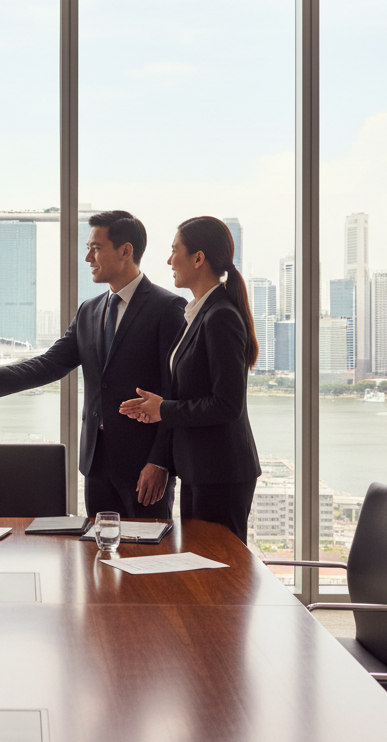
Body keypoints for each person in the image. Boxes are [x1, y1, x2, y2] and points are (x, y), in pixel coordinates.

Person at [0, 210, 187, 520]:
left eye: (95, 248)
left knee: (146, 558)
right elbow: (50, 364)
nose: (87, 258)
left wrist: (160, 462)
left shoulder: (169, 308)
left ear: (125, 251)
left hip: (144, 468)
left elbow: (176, 393)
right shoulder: (89, 310)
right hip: (96, 464)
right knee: (99, 557)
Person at [118, 215, 261, 542]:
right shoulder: (201, 312)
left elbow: (227, 404)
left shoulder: (220, 317)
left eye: (174, 250)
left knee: (218, 575)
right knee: (202, 568)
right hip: (201, 469)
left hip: (221, 473)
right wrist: (156, 406)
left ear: (198, 258)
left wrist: (163, 409)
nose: (169, 260)